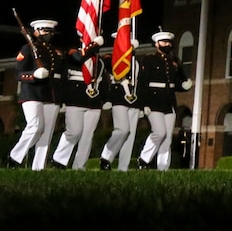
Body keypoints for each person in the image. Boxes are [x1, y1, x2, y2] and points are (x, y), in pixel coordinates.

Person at [7, 19, 67, 170]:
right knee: (35, 126)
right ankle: (15, 157)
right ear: (36, 32)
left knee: (46, 132)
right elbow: (18, 74)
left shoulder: (55, 52)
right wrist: (34, 75)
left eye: (50, 32)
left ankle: (39, 167)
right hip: (32, 93)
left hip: (50, 95)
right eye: (45, 31)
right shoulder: (27, 49)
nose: (48, 34)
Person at [136, 30, 193, 170]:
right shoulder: (149, 60)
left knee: (167, 137)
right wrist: (143, 104)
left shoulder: (174, 61)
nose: (166, 44)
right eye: (163, 42)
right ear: (156, 44)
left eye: (168, 42)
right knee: (159, 132)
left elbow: (176, 82)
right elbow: (142, 83)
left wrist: (184, 86)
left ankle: (163, 167)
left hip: (169, 101)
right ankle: (144, 159)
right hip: (153, 101)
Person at [50, 31, 106, 169]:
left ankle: (79, 166)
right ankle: (59, 160)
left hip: (94, 100)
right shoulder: (72, 53)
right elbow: (78, 58)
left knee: (88, 136)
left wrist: (104, 99)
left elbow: (105, 79)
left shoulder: (99, 59)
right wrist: (94, 45)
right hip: (75, 99)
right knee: (73, 132)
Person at [99, 42, 145, 171]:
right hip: (119, 96)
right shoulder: (113, 58)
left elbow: (141, 83)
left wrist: (142, 105)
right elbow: (106, 66)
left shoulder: (137, 61)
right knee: (122, 130)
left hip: (135, 99)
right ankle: (106, 157)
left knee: (131, 135)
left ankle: (123, 168)